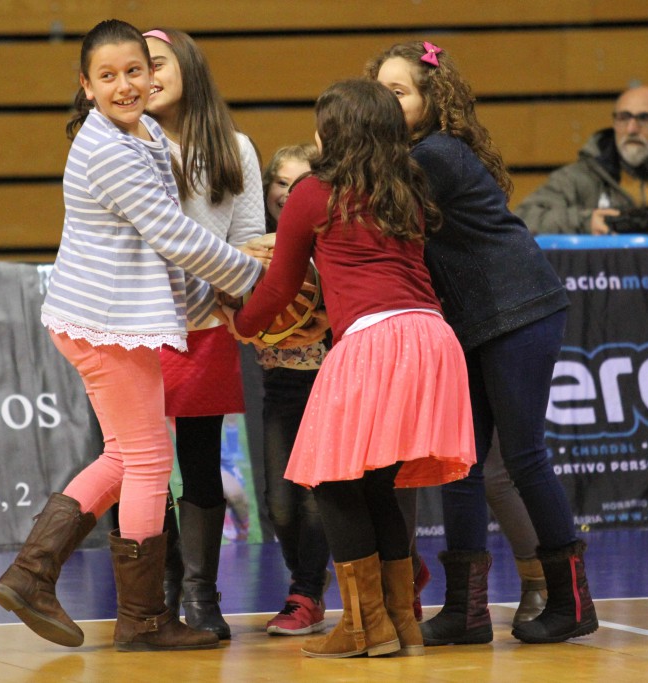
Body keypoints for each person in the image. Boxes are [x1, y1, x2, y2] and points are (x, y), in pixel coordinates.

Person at [0, 19, 262, 653]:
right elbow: (176, 236)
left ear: (153, 73)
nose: (125, 85)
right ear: (86, 86)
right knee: (146, 462)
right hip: (105, 323)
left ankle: (32, 574)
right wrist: (251, 280)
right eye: (107, 76)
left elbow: (161, 254)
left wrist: (215, 304)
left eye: (135, 71)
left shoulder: (137, 135)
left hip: (114, 320)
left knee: (124, 458)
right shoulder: (110, 150)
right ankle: (142, 620)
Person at [227, 78, 476, 658]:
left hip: (374, 341)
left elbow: (282, 284)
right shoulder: (407, 186)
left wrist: (242, 323)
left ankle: (364, 628)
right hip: (431, 338)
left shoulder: (315, 192)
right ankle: (398, 623)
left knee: (334, 484)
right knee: (377, 487)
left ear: (335, 132)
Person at [369, 40, 598, 645]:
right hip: (473, 321)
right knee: (461, 462)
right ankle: (467, 613)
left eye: (400, 92)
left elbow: (372, 207)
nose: (389, 103)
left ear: (430, 99)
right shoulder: (416, 155)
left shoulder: (433, 156)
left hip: (520, 310)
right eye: (380, 93)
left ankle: (572, 602)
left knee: (523, 456)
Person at [141, 27, 266, 641]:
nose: (146, 76)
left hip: (204, 326)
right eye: (136, 67)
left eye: (156, 63)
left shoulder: (234, 147)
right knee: (138, 464)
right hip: (135, 325)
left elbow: (249, 236)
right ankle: (154, 596)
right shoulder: (123, 144)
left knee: (198, 461)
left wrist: (232, 282)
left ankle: (200, 594)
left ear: (188, 66)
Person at [255, 143, 334, 636]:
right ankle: (309, 585)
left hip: (327, 383)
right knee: (279, 504)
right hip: (278, 387)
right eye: (280, 182)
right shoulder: (255, 246)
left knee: (314, 500)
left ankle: (305, 593)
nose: (288, 192)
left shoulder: (329, 242)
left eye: (300, 182)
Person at [514, 85, 648, 246]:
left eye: (645, 118)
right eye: (623, 117)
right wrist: (584, 222)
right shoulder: (579, 178)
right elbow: (523, 220)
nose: (631, 129)